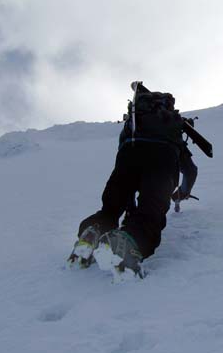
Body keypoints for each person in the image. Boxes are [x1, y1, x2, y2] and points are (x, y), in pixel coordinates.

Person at [68, 82, 184, 278]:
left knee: (111, 208)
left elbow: (124, 151)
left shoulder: (135, 121)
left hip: (127, 157)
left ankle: (92, 233)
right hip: (161, 161)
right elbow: (191, 169)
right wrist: (183, 190)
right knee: (151, 210)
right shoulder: (173, 126)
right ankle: (128, 245)